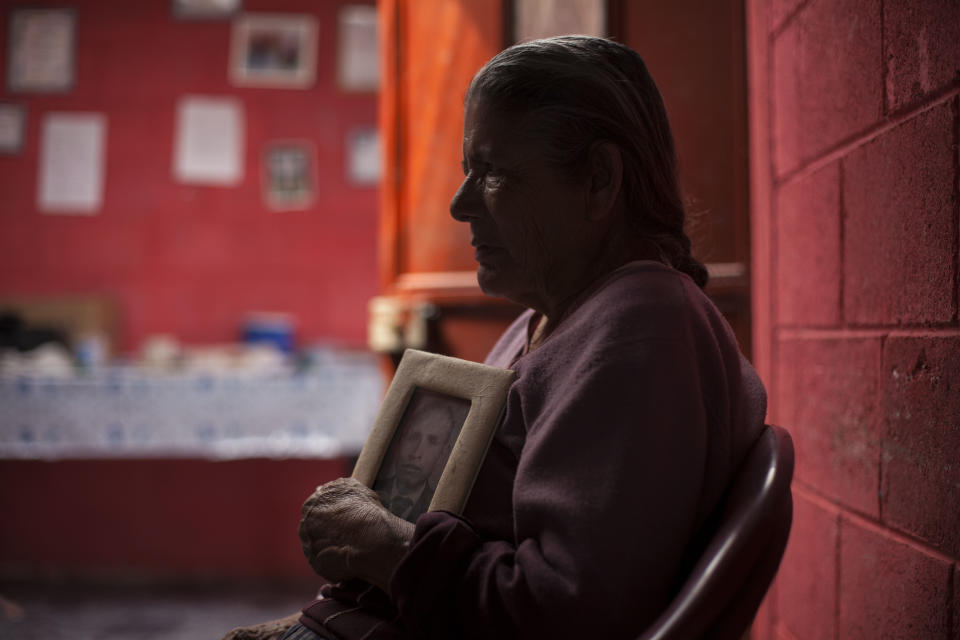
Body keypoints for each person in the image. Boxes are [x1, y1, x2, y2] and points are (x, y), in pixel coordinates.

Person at [224, 35, 766, 640]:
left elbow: (567, 614)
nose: (460, 206)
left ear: (598, 179)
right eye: (467, 172)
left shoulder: (641, 330)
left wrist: (386, 548)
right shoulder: (562, 314)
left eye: (493, 173)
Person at [372, 390, 469, 521]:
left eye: (432, 441)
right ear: (399, 440)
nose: (416, 453)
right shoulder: (369, 491)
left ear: (443, 452)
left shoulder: (443, 512)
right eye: (413, 437)